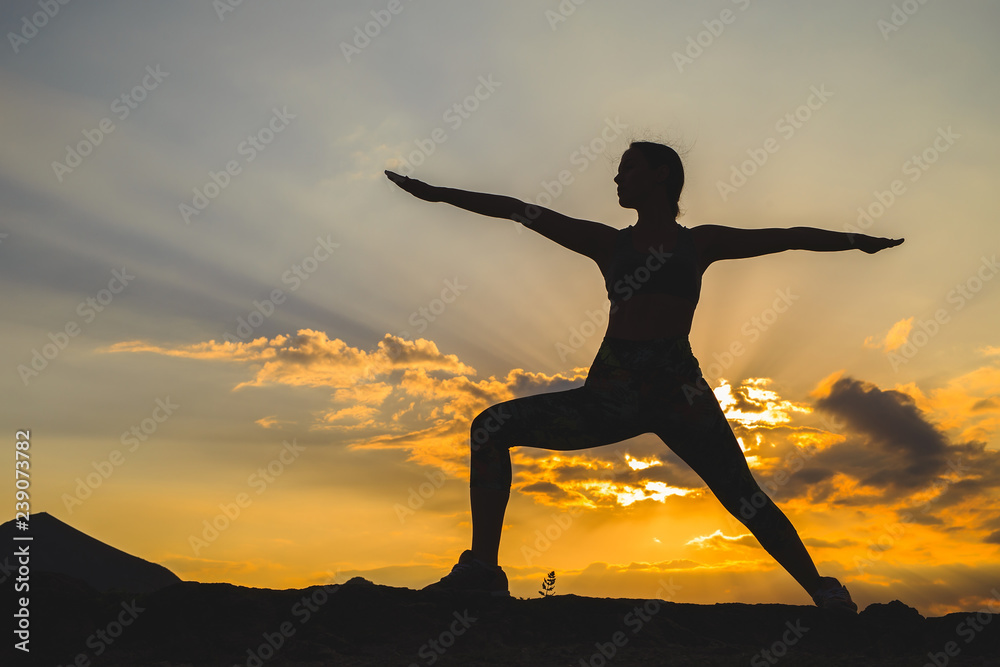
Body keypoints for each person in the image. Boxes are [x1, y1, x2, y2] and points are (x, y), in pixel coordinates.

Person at [384, 141, 903, 613]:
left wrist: (856, 240)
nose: (616, 180)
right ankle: (482, 571)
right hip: (613, 394)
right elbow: (517, 210)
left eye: (626, 169)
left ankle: (823, 590)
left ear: (662, 175)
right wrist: (436, 194)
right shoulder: (609, 245)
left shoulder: (699, 244)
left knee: (743, 493)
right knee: (490, 427)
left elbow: (786, 237)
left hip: (680, 392)